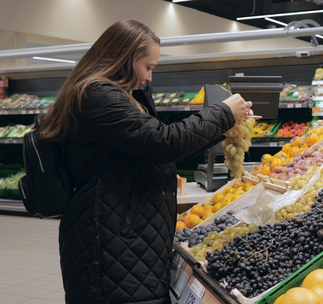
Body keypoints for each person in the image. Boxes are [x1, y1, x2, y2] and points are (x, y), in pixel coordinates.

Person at [39, 20, 256, 304]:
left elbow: (157, 149)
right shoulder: (97, 95)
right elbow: (164, 142)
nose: (150, 77)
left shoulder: (115, 95)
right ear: (124, 59)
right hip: (111, 243)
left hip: (126, 237)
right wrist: (222, 113)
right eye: (148, 67)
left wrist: (221, 127)